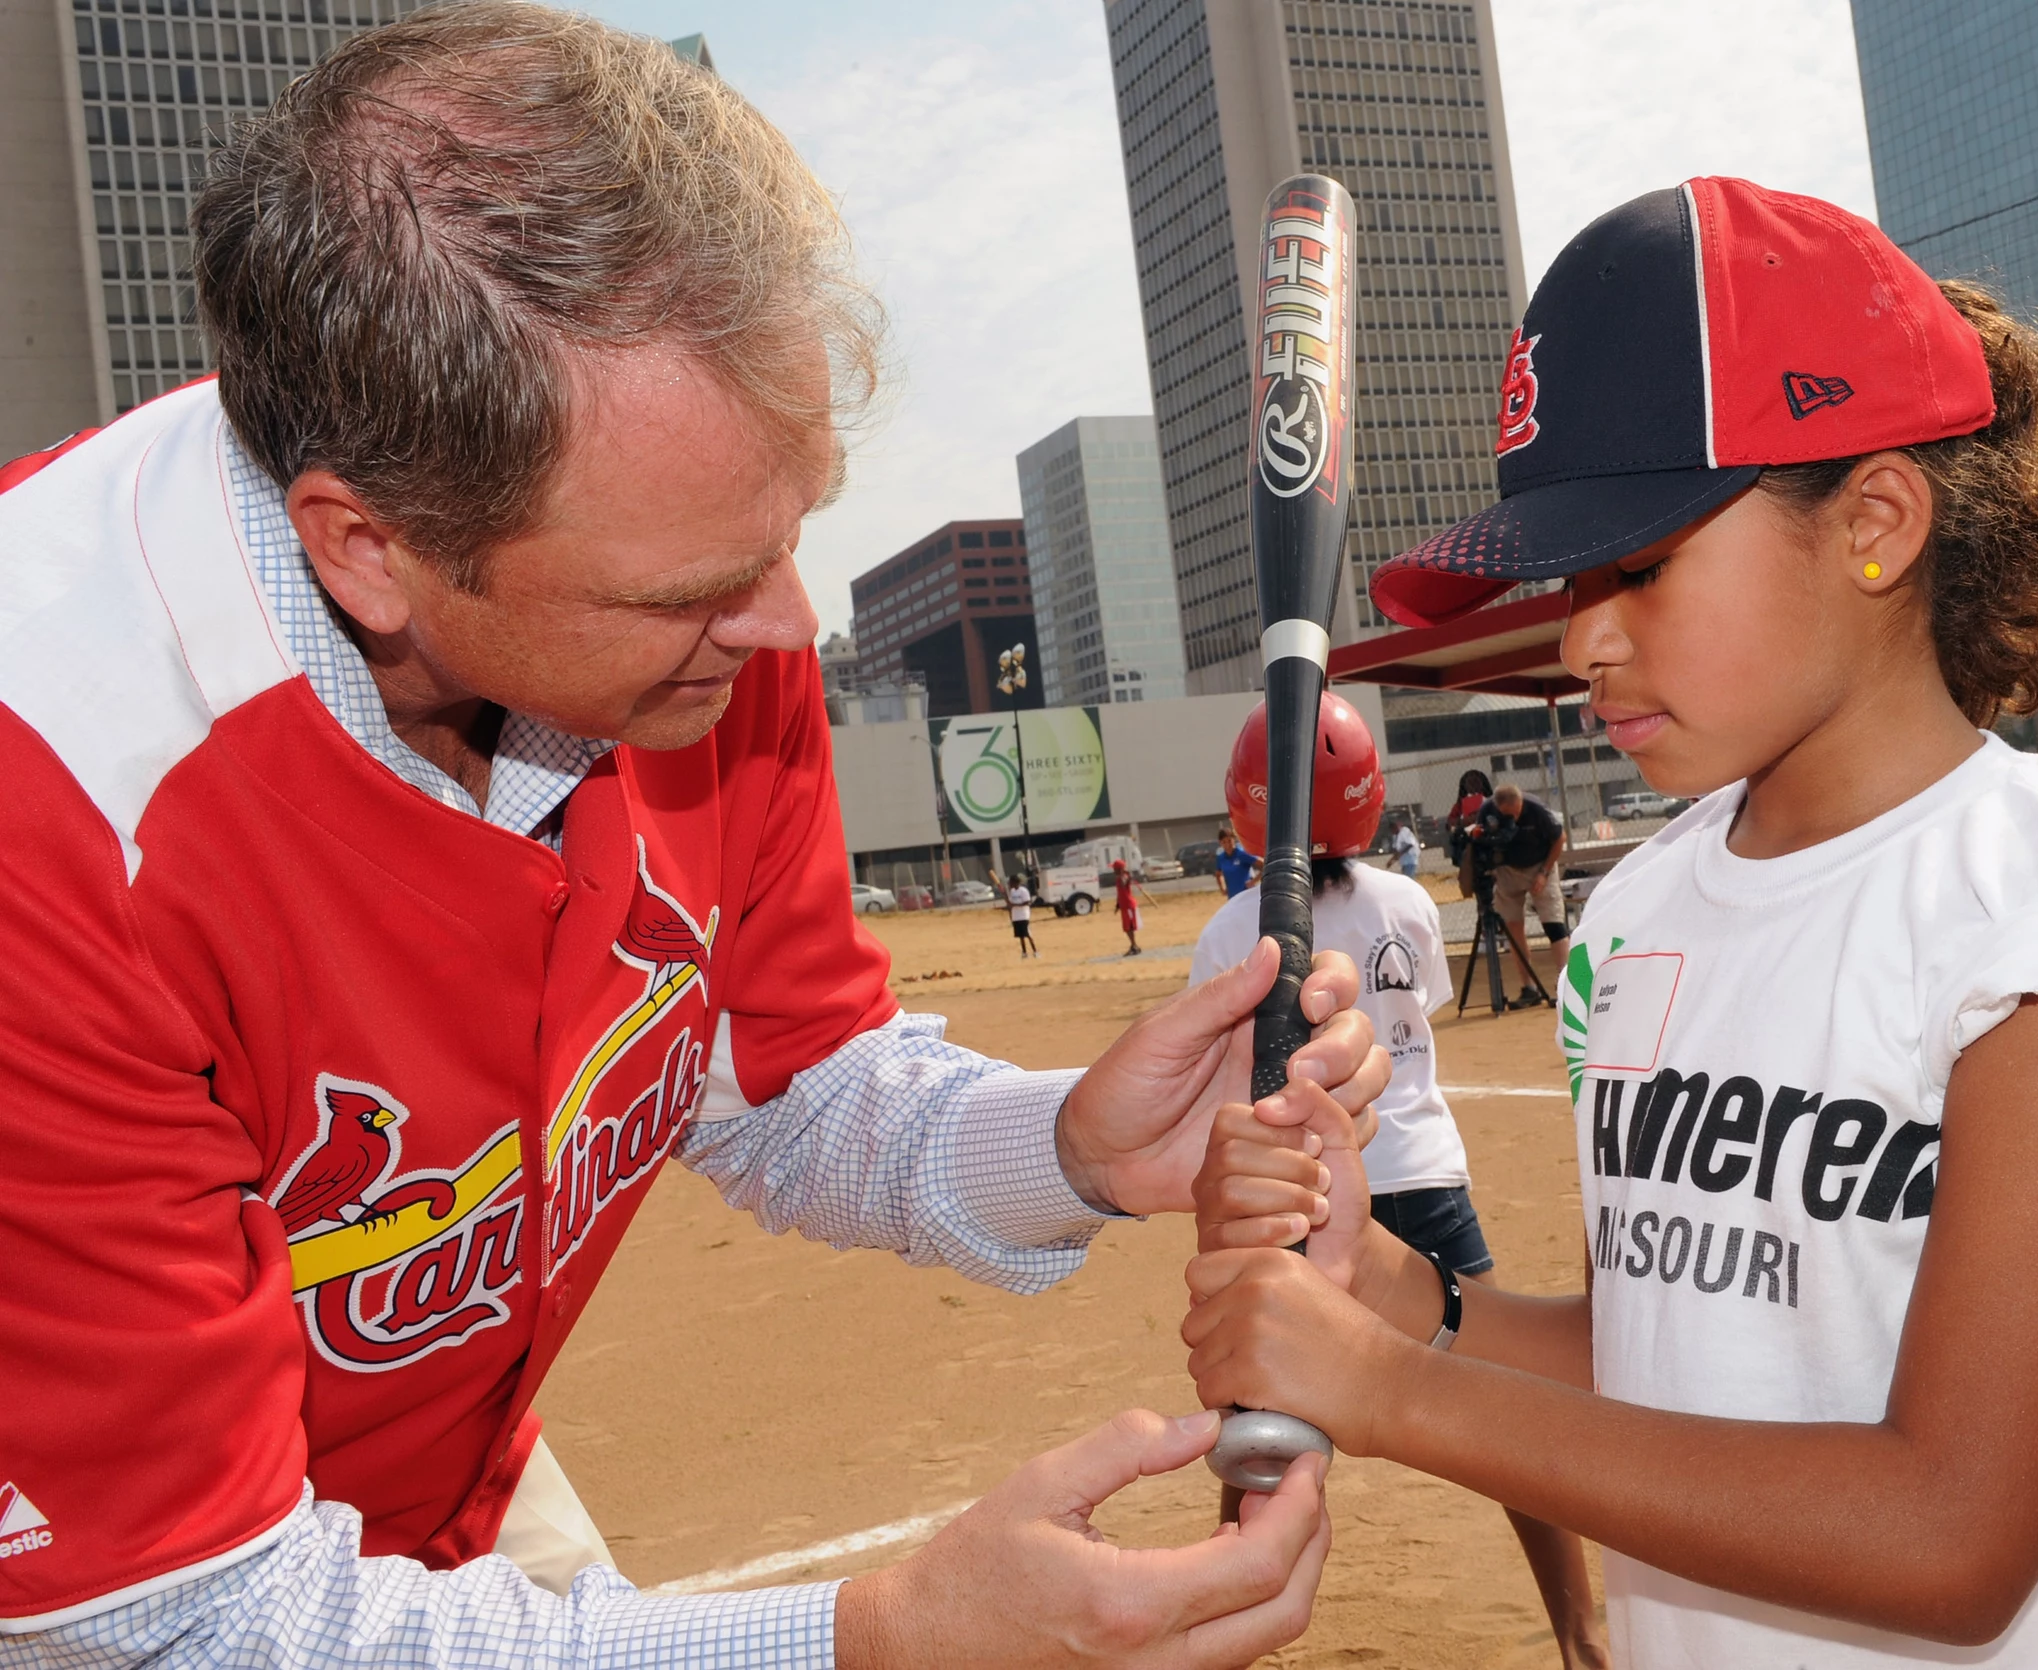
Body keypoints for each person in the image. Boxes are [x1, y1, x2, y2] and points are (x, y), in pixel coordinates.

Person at [0, 10, 1393, 1663]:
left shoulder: (697, 624)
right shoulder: (59, 812)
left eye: (790, 533)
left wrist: (1071, 1150)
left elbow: (788, 1087)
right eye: (698, 589)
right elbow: (181, 1615)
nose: (789, 629)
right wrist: (869, 1641)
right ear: (369, 549)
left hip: (432, 1490)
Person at [1181, 180, 2038, 1668]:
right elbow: (1673, 1347)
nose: (1580, 634)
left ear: (1875, 520)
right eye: (1571, 579)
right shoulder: (1649, 906)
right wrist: (1390, 1292)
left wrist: (1394, 1392)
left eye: (1643, 562)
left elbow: (1952, 1530)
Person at [1196, 697, 1610, 1670]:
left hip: (1301, 1193)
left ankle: (1216, 1635)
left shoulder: (1228, 929)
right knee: (1507, 1411)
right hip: (1422, 1171)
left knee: (1261, 1424)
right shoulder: (1406, 903)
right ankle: (1581, 1635)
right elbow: (1416, 1005)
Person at [1481, 784, 1569, 996]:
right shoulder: (1487, 811)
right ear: (1497, 807)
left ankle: (1567, 984)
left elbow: (1560, 838)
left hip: (1540, 865)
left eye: (1517, 812)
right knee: (1513, 927)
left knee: (1554, 924)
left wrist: (1544, 873)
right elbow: (1481, 841)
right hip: (1508, 870)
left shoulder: (1536, 809)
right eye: (1507, 815)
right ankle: (1528, 987)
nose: (1514, 818)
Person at [1445, 767, 1495, 864]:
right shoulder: (1459, 805)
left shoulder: (1492, 802)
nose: (1473, 786)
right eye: (1470, 783)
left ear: (1483, 784)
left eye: (1476, 782)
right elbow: (1449, 823)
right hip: (1467, 838)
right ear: (1464, 786)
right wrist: (1462, 821)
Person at [1112, 858, 1151, 956]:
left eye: (1115, 868)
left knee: (1129, 927)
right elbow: (1119, 893)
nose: (1113, 870)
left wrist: (1124, 875)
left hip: (1129, 906)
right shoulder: (1119, 878)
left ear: (1118, 869)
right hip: (1124, 906)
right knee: (1126, 928)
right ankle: (1133, 945)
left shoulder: (1123, 877)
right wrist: (1117, 905)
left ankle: (1134, 946)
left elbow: (1124, 883)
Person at [1215, 825, 1262, 898]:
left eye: (1229, 841)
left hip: (1247, 896)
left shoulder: (1242, 854)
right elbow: (1218, 874)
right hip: (1233, 898)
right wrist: (1222, 888)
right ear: (1220, 843)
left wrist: (1254, 881)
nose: (1227, 845)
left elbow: (1264, 865)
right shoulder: (1221, 858)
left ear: (1234, 839)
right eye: (1224, 842)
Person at [1006, 874, 1039, 958]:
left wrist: (1015, 905)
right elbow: (1010, 903)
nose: (1009, 884)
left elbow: (1027, 902)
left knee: (1027, 934)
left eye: (1011, 882)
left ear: (1015, 882)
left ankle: (1035, 952)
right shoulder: (1012, 891)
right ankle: (1024, 953)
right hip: (1016, 917)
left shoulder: (1023, 891)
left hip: (1023, 916)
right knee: (1020, 936)